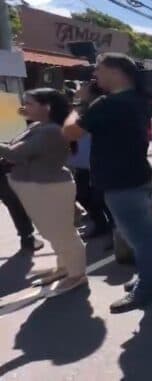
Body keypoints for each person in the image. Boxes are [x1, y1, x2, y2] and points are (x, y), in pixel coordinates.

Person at [63, 53, 152, 313]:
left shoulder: (106, 104)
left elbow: (70, 132)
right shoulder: (140, 100)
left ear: (116, 71)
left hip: (121, 182)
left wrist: (80, 104)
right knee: (143, 236)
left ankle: (149, 287)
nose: (95, 75)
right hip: (136, 176)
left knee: (140, 238)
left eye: (98, 69)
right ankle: (151, 279)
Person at [1, 88, 86, 296]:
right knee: (52, 233)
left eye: (29, 103)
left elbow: (15, 153)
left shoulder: (51, 130)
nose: (24, 107)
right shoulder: (41, 126)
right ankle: (64, 267)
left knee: (63, 234)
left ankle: (77, 275)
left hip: (48, 187)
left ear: (46, 106)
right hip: (39, 186)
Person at [70, 81, 113, 239]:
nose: (79, 90)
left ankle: (115, 234)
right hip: (81, 163)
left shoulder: (100, 108)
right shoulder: (77, 108)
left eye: (83, 88)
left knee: (102, 200)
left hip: (98, 163)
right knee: (82, 195)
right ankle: (101, 225)